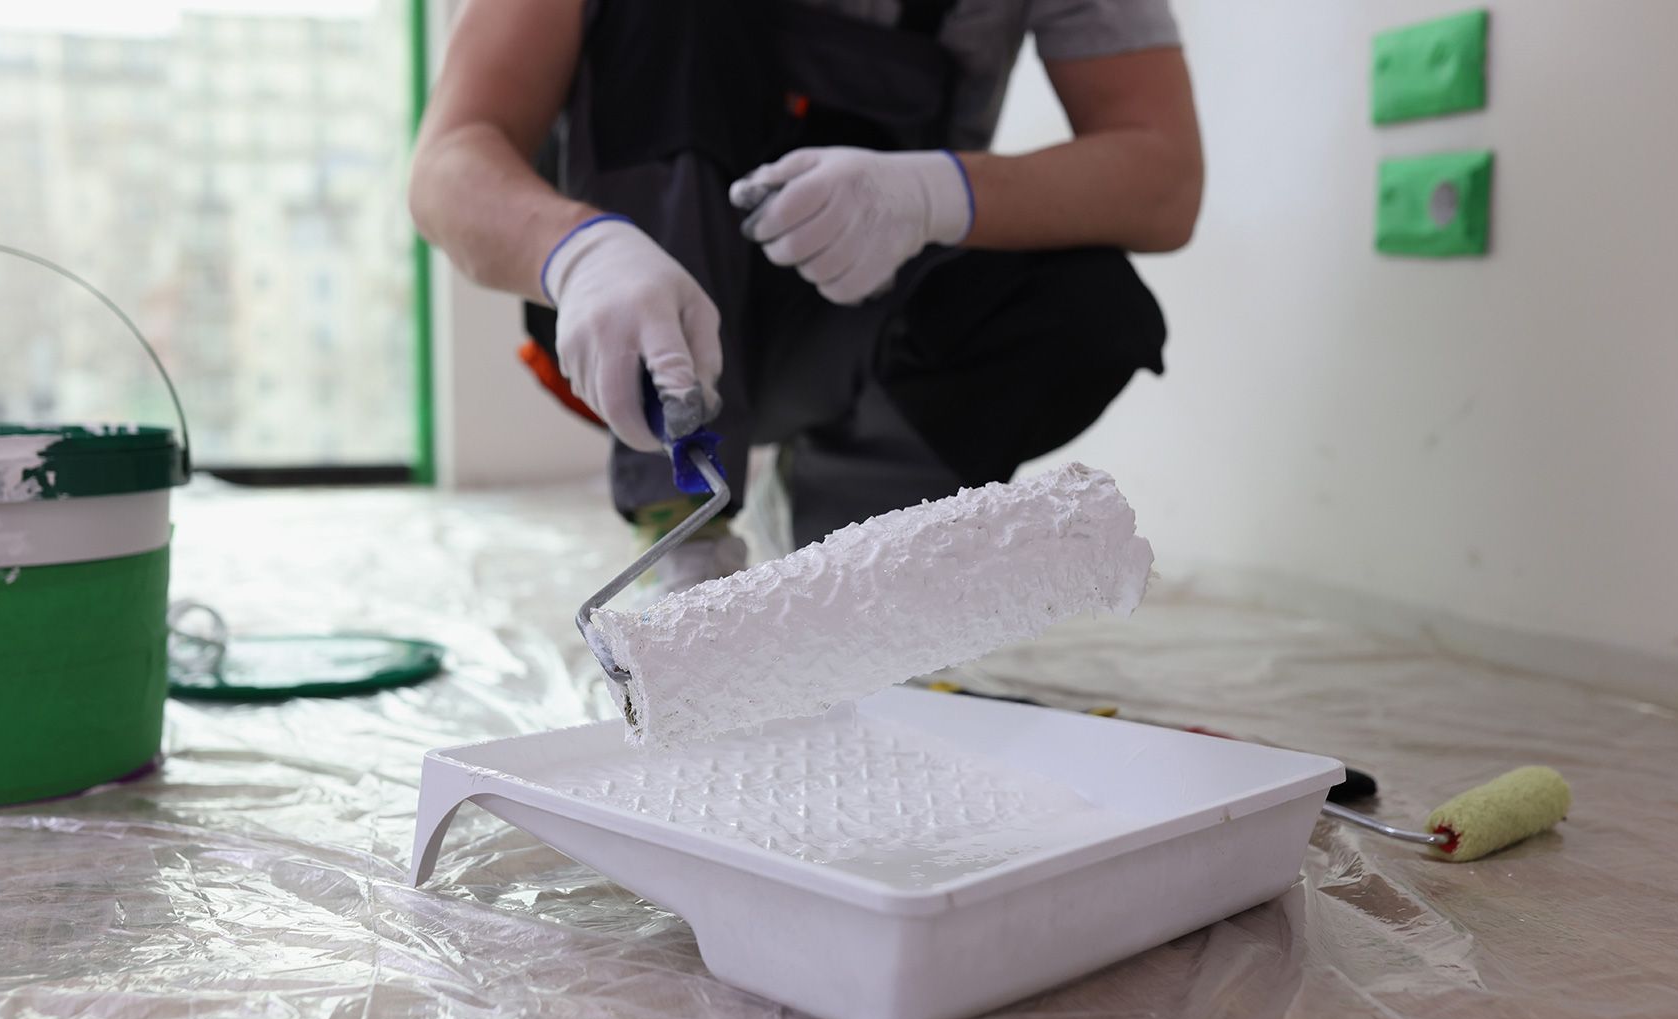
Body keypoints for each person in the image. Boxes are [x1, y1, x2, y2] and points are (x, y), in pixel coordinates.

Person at [410, 0, 1202, 592]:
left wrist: (937, 191)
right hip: (630, 325)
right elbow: (448, 160)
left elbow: (1165, 178)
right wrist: (578, 254)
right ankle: (683, 535)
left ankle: (837, 545)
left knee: (1084, 310)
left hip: (857, 312)